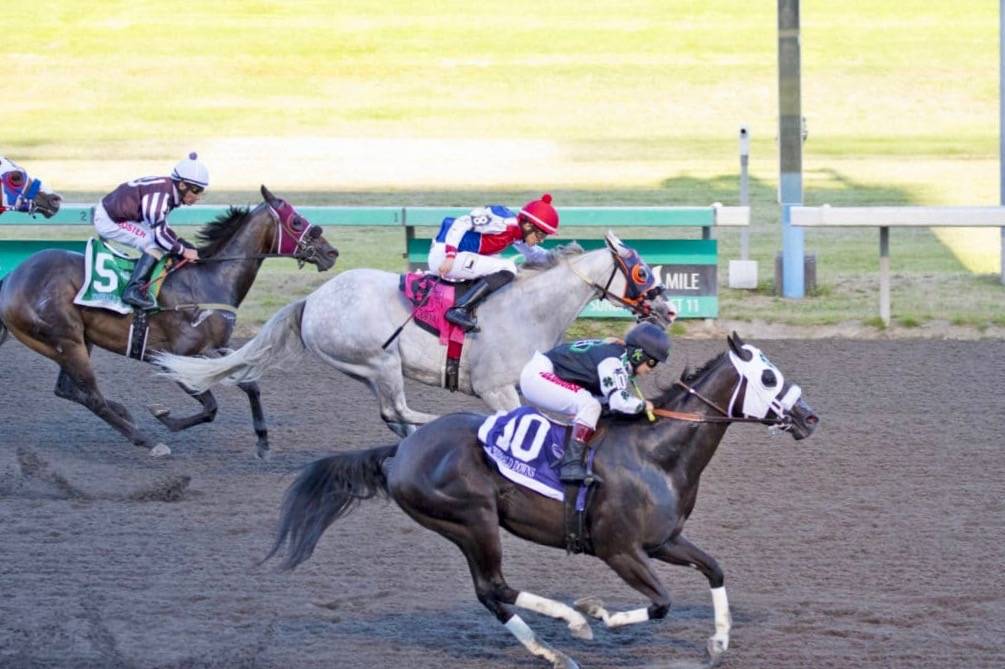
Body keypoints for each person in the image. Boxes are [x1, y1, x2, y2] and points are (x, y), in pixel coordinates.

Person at [519, 321, 672, 483]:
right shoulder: (613, 361)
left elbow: (609, 402)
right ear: (639, 354)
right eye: (652, 362)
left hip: (544, 371)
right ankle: (570, 465)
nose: (651, 369)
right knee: (590, 405)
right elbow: (619, 401)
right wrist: (642, 405)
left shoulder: (616, 355)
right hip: (538, 375)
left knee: (598, 405)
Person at [428, 193, 559, 332]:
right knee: (508, 267)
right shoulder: (503, 224)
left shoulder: (517, 233)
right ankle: (460, 310)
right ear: (528, 225)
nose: (541, 240)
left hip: (459, 255)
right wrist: (450, 255)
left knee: (501, 262)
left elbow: (535, 254)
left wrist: (561, 260)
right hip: (445, 256)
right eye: (541, 235)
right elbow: (461, 222)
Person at [93, 152, 208, 310]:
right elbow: (159, 237)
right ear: (182, 185)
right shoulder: (161, 197)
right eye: (196, 190)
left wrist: (181, 245)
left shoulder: (169, 189)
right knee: (153, 244)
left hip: (123, 213)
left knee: (169, 240)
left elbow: (162, 228)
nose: (198, 196)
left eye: (201, 190)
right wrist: (183, 251)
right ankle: (133, 290)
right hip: (110, 220)